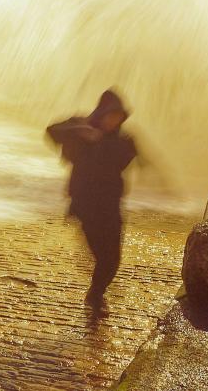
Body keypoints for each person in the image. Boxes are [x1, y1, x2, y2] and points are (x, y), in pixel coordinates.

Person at [46, 89, 138, 311]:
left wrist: (99, 141)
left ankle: (96, 292)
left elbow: (123, 156)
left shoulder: (123, 141)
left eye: (118, 117)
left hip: (111, 206)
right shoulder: (82, 128)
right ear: (101, 113)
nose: (113, 121)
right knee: (102, 255)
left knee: (113, 259)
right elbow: (52, 131)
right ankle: (96, 296)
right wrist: (81, 130)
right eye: (110, 115)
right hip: (86, 206)